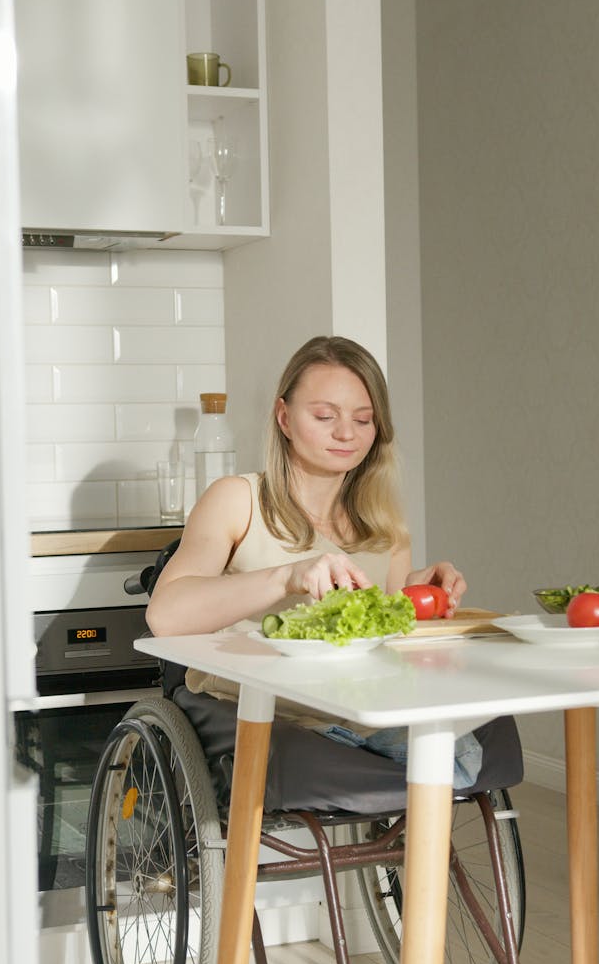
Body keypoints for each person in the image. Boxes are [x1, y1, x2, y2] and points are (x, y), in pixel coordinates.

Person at [146, 335, 522, 812]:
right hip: (267, 706)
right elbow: (166, 615)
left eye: (363, 419)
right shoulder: (237, 500)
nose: (347, 433)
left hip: (356, 705)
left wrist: (419, 595)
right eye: (325, 417)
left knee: (496, 728)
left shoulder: (385, 526)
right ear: (284, 417)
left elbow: (386, 632)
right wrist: (287, 577)